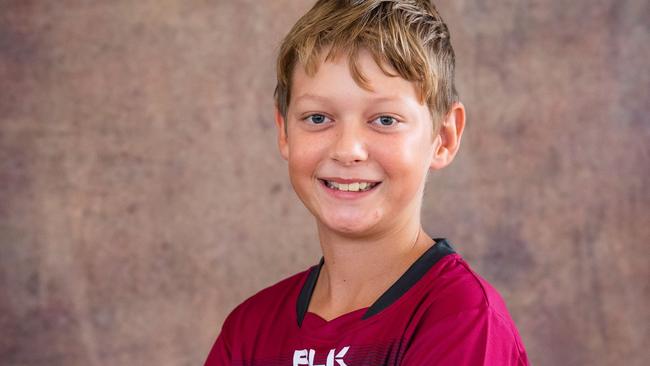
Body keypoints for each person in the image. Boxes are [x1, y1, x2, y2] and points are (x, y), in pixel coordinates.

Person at [205, 0, 530, 364]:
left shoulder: (462, 318)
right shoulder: (250, 330)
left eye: (385, 120)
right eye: (317, 118)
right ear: (284, 132)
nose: (348, 150)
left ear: (444, 137)